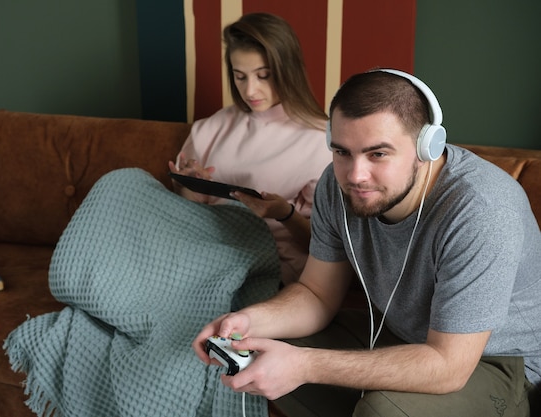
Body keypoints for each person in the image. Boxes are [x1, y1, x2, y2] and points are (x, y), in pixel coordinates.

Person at [192, 69, 541, 416]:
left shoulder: (482, 209)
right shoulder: (336, 185)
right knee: (263, 352)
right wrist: (248, 322)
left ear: (427, 147)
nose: (355, 175)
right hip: (404, 338)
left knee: (381, 410)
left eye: (378, 154)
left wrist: (306, 365)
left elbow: (448, 365)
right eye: (342, 152)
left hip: (496, 362)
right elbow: (316, 294)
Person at [168, 13, 331, 285]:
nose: (250, 90)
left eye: (263, 76)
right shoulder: (216, 125)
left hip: (263, 260)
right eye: (239, 76)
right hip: (201, 243)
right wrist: (189, 187)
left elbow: (324, 246)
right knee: (125, 183)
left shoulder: (320, 141)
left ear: (287, 71)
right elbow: (185, 213)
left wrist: (285, 215)